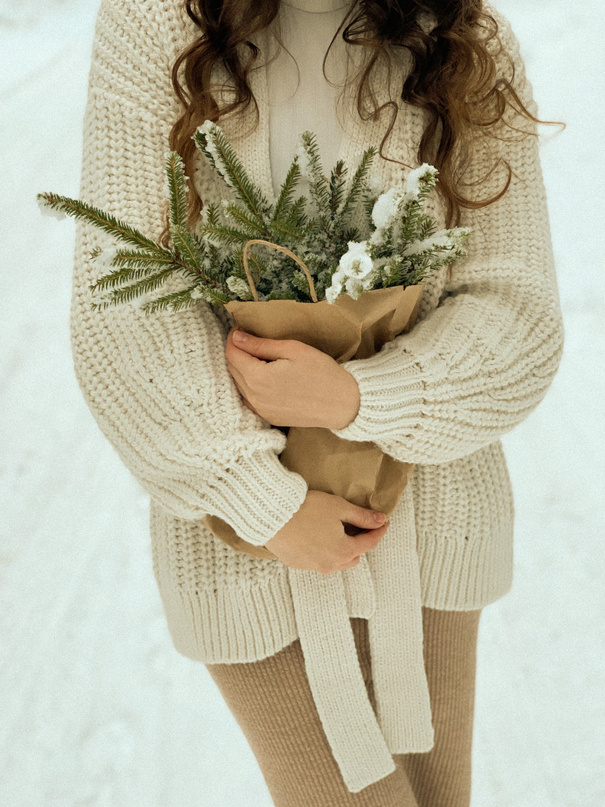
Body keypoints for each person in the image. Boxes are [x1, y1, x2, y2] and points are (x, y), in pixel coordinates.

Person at [70, 0, 564, 804]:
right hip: (247, 548)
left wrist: (359, 396)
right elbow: (122, 297)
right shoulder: (158, 23)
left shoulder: (464, 37)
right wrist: (259, 501)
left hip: (427, 524)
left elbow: (517, 312)